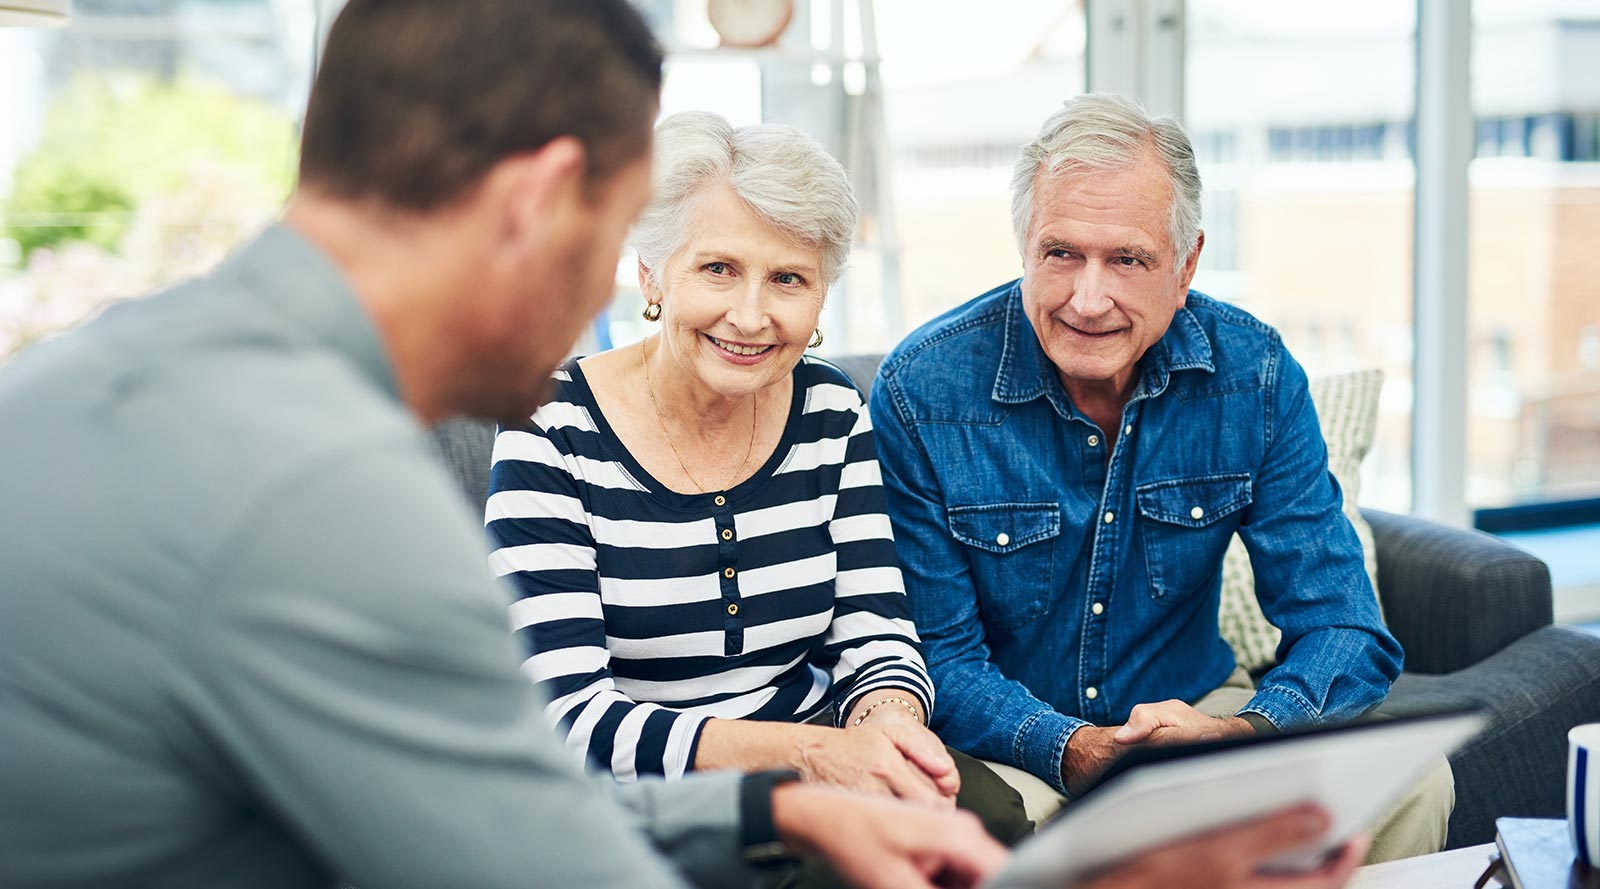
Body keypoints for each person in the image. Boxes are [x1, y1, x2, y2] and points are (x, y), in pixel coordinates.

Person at [0, 0, 1367, 882]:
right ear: (548, 203)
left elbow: (483, 809)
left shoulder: (97, 378)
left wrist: (777, 809)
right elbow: (547, 848)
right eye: (633, 249)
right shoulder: (330, 494)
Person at [868, 93, 1454, 863]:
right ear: (1024, 249)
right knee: (1037, 840)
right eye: (1061, 253)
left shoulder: (1255, 375)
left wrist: (1241, 736)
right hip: (1014, 744)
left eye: (1128, 260)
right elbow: (939, 657)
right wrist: (1071, 745)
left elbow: (1343, 625)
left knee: (1417, 780)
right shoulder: (922, 390)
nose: (1088, 297)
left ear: (1186, 266)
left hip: (1200, 712)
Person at [487, 111, 1029, 850]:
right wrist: (805, 754)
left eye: (787, 279)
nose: (750, 316)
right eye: (718, 269)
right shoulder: (547, 424)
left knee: (984, 819)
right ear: (651, 272)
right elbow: (566, 714)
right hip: (648, 799)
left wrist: (887, 730)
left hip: (823, 755)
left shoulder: (830, 408)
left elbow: (878, 632)